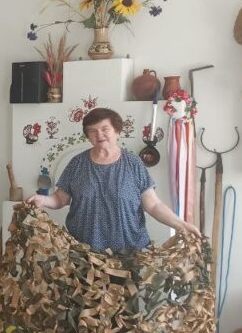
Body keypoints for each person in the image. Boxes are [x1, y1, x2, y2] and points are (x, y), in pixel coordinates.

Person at [26, 107, 201, 252]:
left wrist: (181, 225)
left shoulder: (133, 163)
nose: (99, 134)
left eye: (105, 129)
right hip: (84, 251)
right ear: (88, 136)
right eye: (93, 131)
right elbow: (60, 199)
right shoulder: (77, 163)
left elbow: (153, 205)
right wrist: (43, 199)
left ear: (117, 131)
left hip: (128, 250)